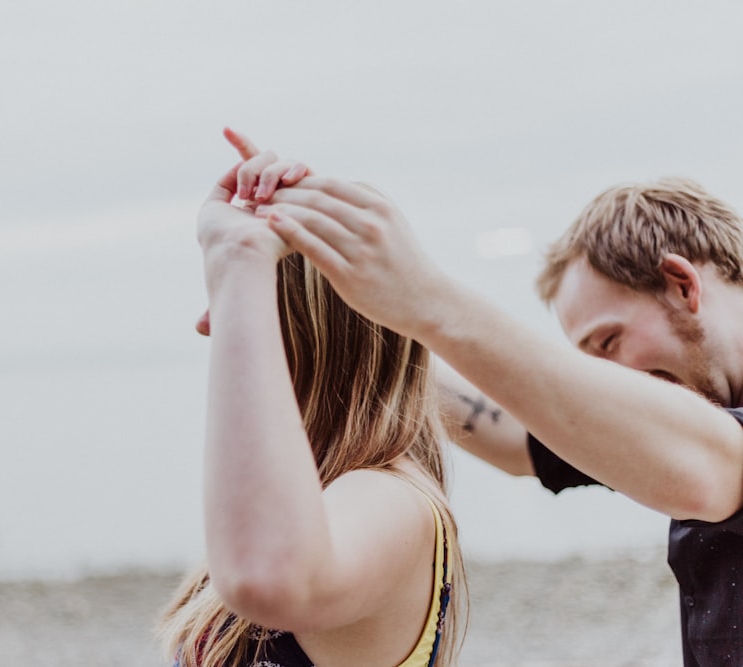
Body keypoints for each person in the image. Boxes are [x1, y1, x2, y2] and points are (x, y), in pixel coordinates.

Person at [234, 135, 743, 667]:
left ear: (683, 284)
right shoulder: (670, 418)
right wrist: (347, 341)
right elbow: (515, 438)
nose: (602, 378)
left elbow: (708, 469)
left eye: (607, 342)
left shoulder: (698, 450)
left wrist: (421, 299)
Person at [157, 146, 466, 667]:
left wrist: (237, 259)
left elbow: (270, 573)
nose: (209, 324)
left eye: (240, 300)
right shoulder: (331, 490)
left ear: (302, 327)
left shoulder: (390, 496)